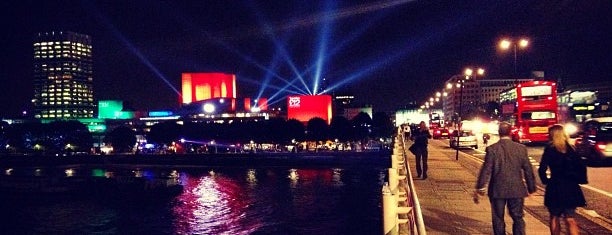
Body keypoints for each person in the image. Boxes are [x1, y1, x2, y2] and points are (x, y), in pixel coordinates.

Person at [474, 121, 536, 235]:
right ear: (510, 132)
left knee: (498, 217)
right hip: (516, 189)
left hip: (497, 189)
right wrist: (531, 188)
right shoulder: (521, 148)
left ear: (499, 132)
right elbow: (528, 169)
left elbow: (486, 169)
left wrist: (480, 187)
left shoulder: (492, 149)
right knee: (518, 217)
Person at [538, 124, 586, 235]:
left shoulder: (550, 149)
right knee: (570, 218)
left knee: (554, 216)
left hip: (555, 185)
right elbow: (581, 166)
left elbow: (542, 169)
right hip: (571, 186)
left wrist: (546, 180)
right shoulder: (572, 149)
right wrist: (580, 179)